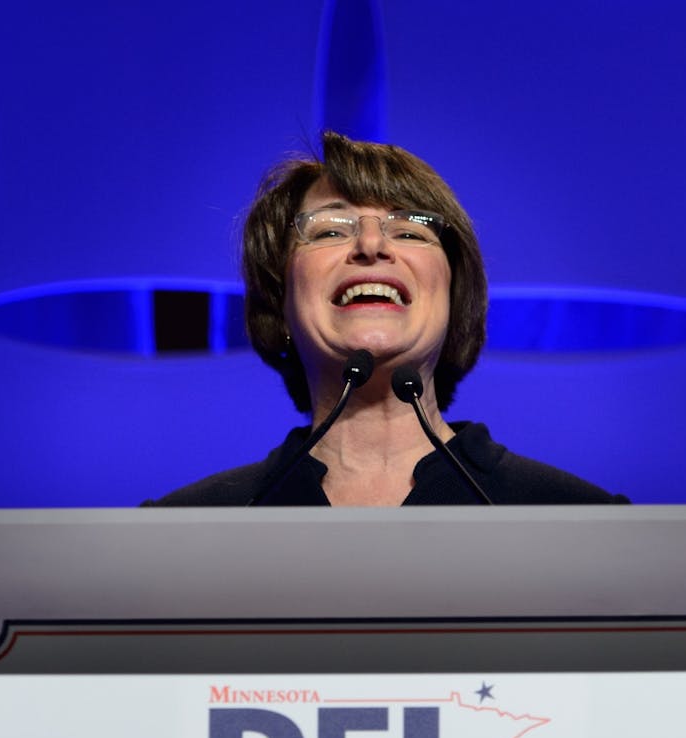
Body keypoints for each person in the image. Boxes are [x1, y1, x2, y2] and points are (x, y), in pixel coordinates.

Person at [152, 131, 627, 506]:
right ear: (279, 300)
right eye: (330, 229)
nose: (372, 245)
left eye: (411, 231)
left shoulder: (580, 519)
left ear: (454, 296)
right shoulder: (183, 531)